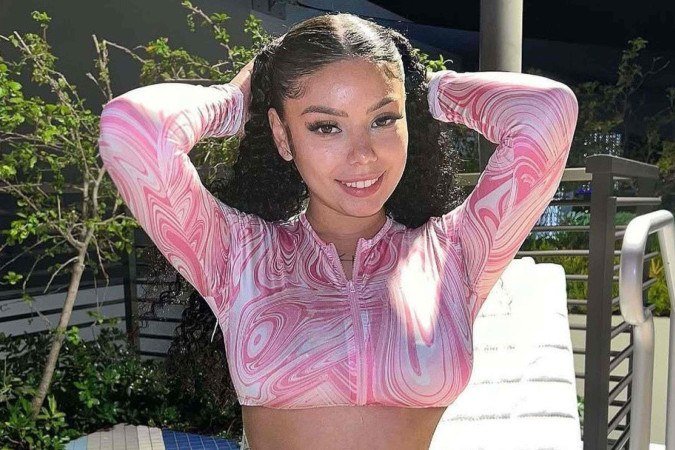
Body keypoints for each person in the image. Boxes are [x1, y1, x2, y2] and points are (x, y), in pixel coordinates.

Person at [98, 12, 578, 450]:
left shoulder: (456, 251)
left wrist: (425, 88)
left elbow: (548, 113)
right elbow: (131, 130)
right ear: (283, 136)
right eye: (326, 127)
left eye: (383, 119)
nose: (363, 155)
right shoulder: (238, 253)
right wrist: (236, 100)